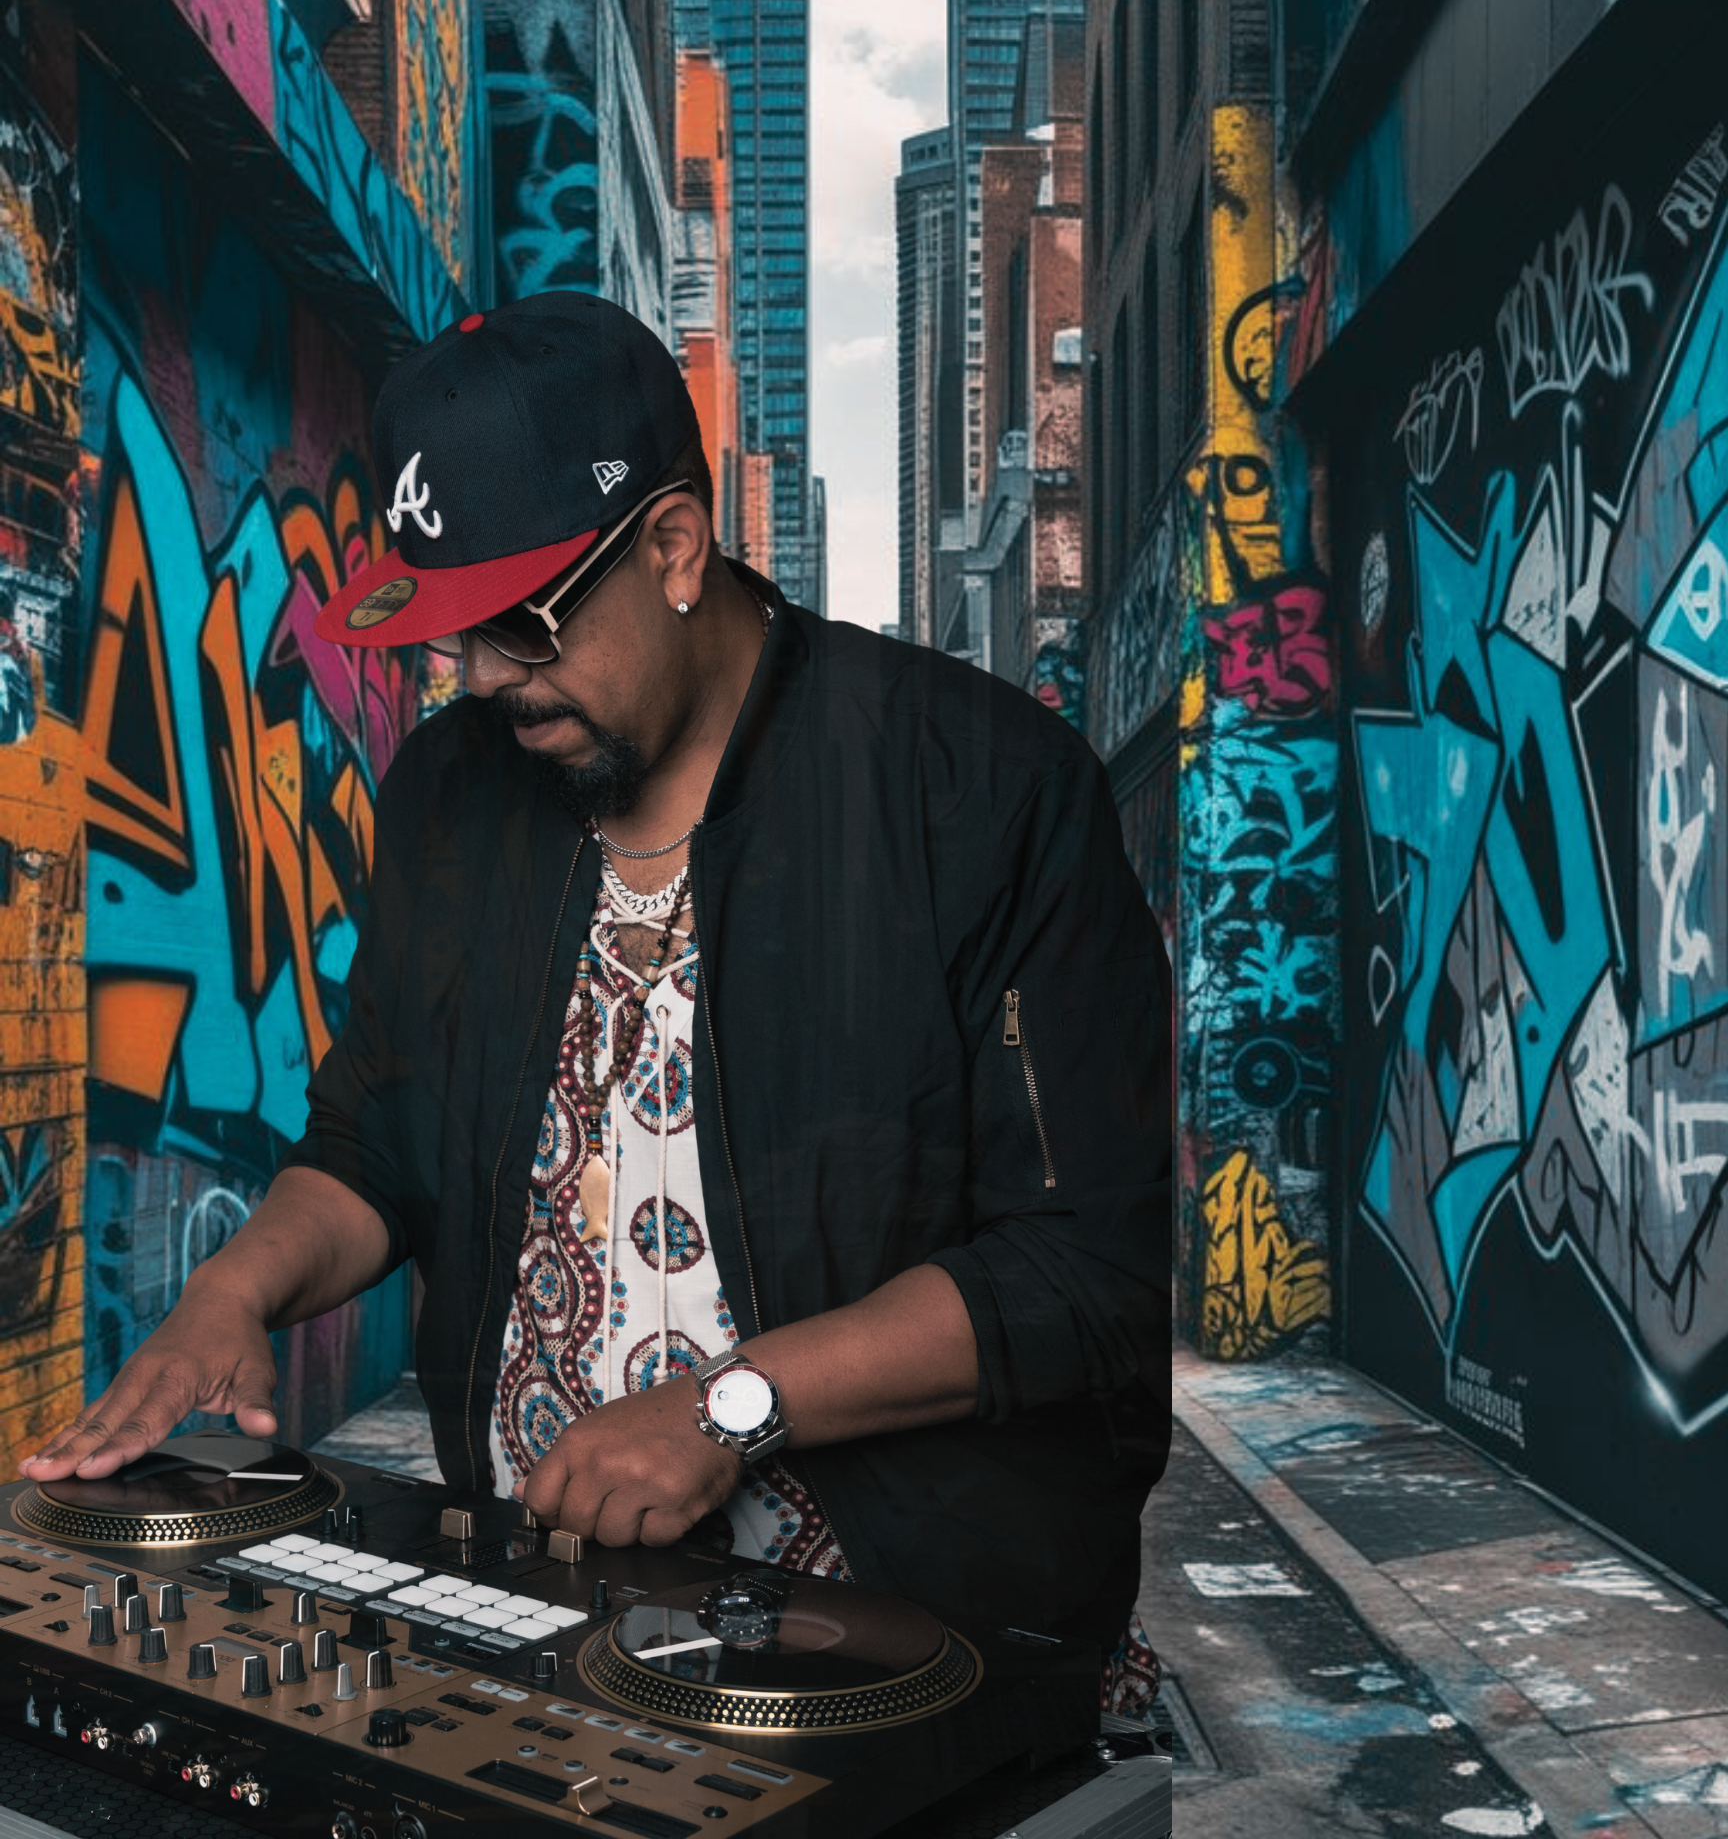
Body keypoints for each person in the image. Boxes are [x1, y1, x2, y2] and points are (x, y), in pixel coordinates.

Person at [23, 289, 1172, 1701]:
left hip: (904, 1658)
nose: (486, 678)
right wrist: (231, 1287)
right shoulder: (453, 794)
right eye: (449, 634)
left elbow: (1080, 1277)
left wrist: (729, 1409)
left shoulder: (980, 793)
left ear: (675, 547)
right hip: (555, 1628)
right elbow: (377, 1141)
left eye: (523, 623)